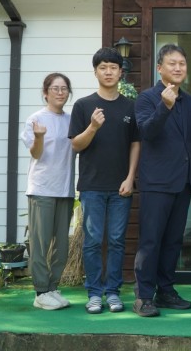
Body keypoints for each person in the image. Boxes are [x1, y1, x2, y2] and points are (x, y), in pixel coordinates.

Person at [133, 44, 191, 318]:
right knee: (151, 241)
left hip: (183, 183)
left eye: (182, 64)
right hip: (156, 183)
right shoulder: (147, 98)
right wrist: (164, 106)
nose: (178, 68)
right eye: (172, 63)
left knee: (174, 241)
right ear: (159, 68)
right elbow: (147, 132)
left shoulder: (188, 101)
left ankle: (165, 290)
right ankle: (143, 296)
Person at [68, 47, 140, 314]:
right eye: (103, 67)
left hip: (121, 186)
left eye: (113, 67)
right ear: (95, 72)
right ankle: (94, 293)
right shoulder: (83, 105)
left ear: (121, 72)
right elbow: (76, 145)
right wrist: (93, 127)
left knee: (118, 240)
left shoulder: (129, 106)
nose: (108, 72)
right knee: (93, 241)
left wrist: (131, 177)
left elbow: (136, 143)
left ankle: (113, 292)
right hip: (92, 186)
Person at [21, 73, 76, 310]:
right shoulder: (35, 119)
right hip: (42, 189)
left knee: (61, 246)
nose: (60, 92)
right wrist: (40, 136)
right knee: (41, 244)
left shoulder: (71, 120)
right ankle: (40, 291)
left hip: (65, 189)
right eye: (55, 88)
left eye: (64, 88)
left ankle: (52, 287)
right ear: (46, 93)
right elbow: (35, 153)